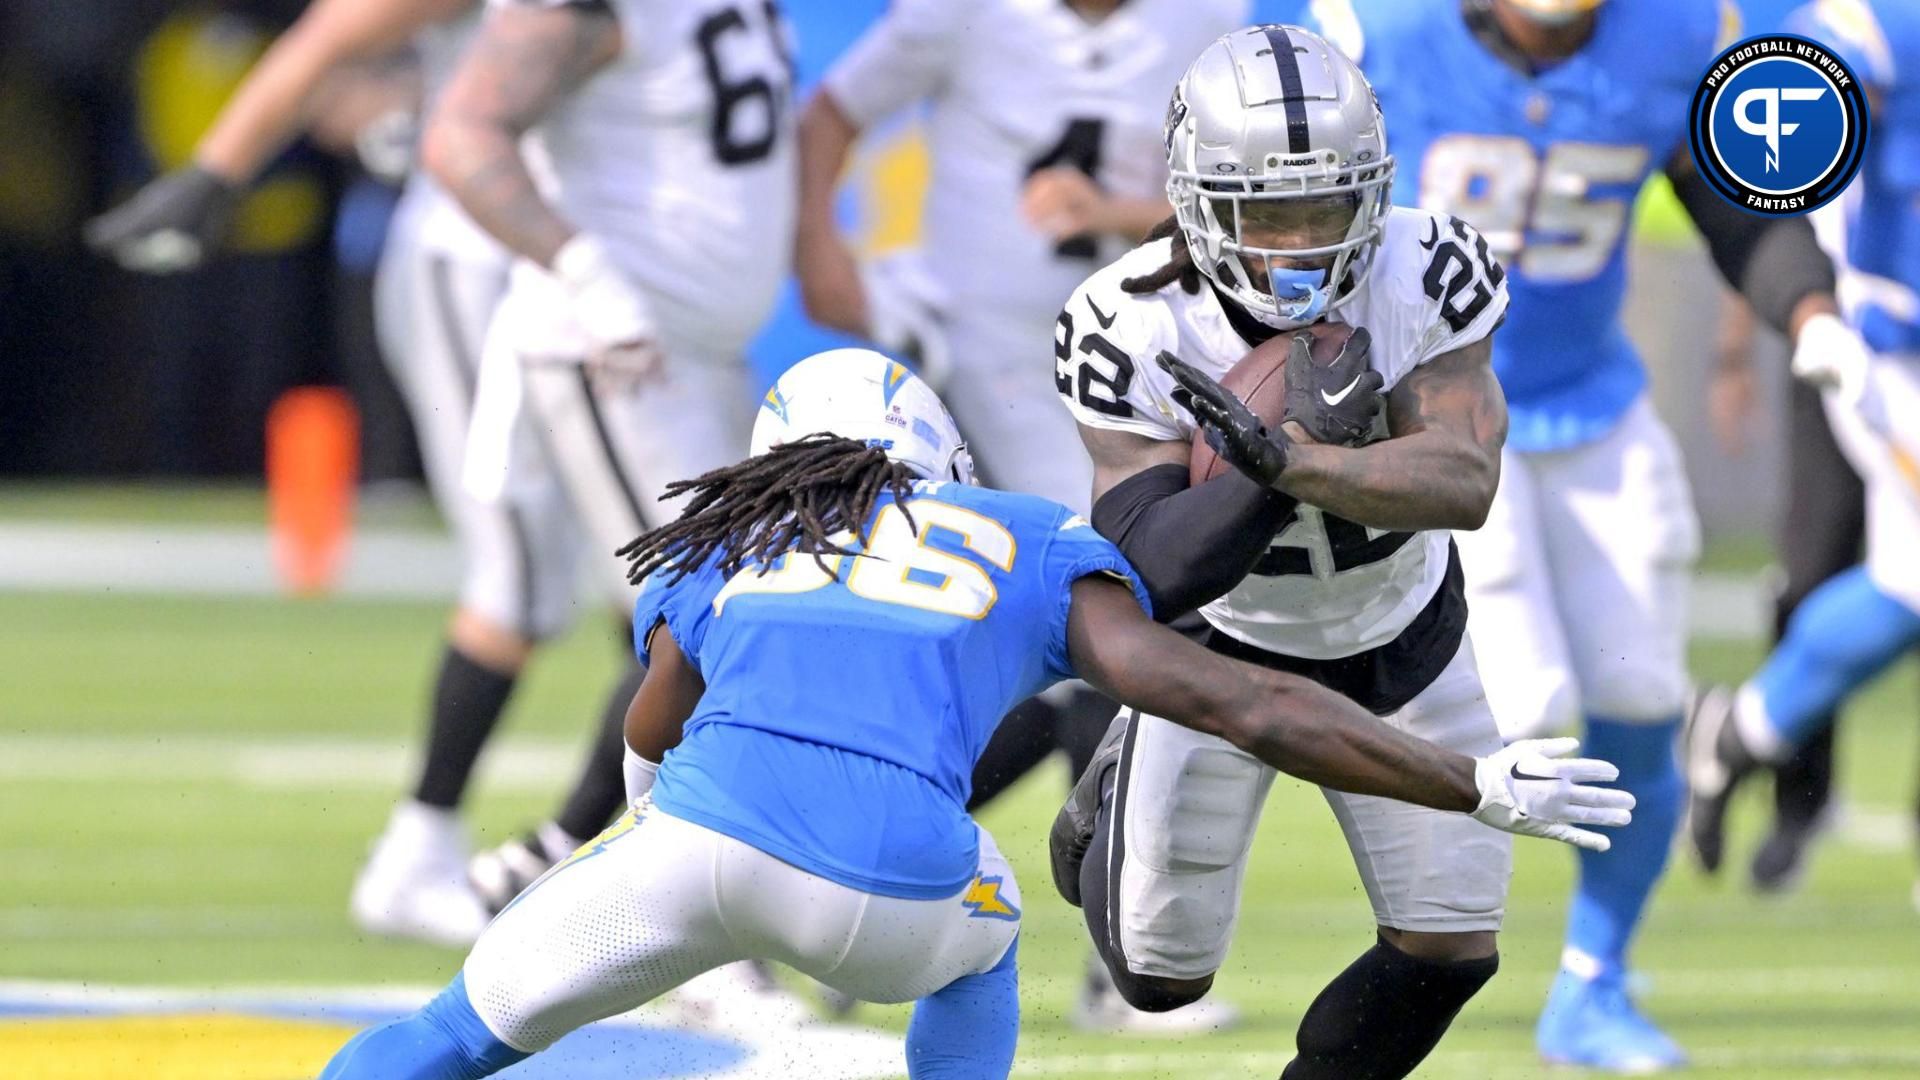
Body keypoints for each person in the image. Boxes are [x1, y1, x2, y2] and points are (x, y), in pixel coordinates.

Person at [317, 347, 1633, 1080]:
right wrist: (1469, 785)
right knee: (989, 927)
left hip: (685, 856)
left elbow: (651, 728)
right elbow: (1236, 698)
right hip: (894, 891)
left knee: (441, 1040)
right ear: (936, 452)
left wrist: (658, 832)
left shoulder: (724, 542)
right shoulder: (1016, 536)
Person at [1299, 0, 1876, 1067]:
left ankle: (1592, 982)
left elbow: (1735, 200)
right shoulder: (1376, 30)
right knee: (1534, 712)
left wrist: (1811, 313)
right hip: (1448, 424)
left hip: (1595, 408)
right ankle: (1424, 948)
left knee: (1645, 705)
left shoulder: (1681, 32)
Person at [1046, 25, 1526, 1080]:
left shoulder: (1424, 269)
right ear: (1197, 201)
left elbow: (1466, 482)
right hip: (1220, 651)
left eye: (1328, 206)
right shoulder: (1128, 319)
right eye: (1268, 213)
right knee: (1158, 982)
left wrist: (1297, 464)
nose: (1303, 243)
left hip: (1405, 640)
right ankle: (1122, 765)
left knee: (1451, 947)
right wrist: (1268, 476)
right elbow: (1146, 562)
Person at [791, 0, 1249, 1031]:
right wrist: (823, 248)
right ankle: (1113, 963)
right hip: (989, 366)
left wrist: (1119, 213)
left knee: (1061, 672)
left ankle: (861, 885)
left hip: (1127, 370)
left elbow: (1238, 205)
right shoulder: (963, 14)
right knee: (1111, 633)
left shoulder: (1205, 20)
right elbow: (828, 116)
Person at [81, 0, 570, 946]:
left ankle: (606, 849)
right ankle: (472, 849)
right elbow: (338, 41)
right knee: (548, 579)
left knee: (657, 576)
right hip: (500, 264)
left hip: (602, 271)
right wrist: (218, 171)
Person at [418, 0, 797, 936]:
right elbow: (462, 132)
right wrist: (584, 273)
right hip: (621, 347)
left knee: (740, 621)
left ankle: (549, 866)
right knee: (713, 628)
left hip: (697, 351)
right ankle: (661, 924)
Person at [1687, 0, 1920, 910]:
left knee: (1906, 579)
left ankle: (1741, 729)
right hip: (1898, 347)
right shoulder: (1881, 21)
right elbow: (1778, 100)